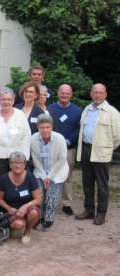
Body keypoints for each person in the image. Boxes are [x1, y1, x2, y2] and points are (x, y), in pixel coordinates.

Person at [75, 83, 120, 225]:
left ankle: (101, 213)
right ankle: (89, 210)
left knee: (102, 185)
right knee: (87, 183)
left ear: (105, 94)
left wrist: (107, 149)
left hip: (102, 151)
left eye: (101, 92)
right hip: (86, 149)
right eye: (95, 92)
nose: (98, 95)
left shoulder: (112, 112)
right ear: (91, 94)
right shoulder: (87, 110)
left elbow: (117, 136)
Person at [0, 88, 31, 189]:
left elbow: (27, 137)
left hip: (18, 159)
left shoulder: (20, 115)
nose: (6, 102)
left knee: (17, 186)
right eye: (3, 99)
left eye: (9, 99)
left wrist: (25, 157)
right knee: (0, 188)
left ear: (13, 100)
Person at [47, 84, 82, 215]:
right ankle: (49, 200)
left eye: (67, 93)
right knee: (50, 173)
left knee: (67, 176)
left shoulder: (77, 111)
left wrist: (68, 141)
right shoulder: (50, 109)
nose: (65, 95)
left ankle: (67, 203)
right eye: (62, 92)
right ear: (58, 93)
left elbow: (78, 129)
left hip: (69, 148)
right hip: (51, 147)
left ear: (71, 95)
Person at [30, 114, 69, 229]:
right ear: (38, 127)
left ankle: (49, 219)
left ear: (52, 127)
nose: (45, 130)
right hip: (40, 172)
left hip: (57, 172)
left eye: (47, 127)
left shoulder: (59, 138)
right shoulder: (34, 138)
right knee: (39, 194)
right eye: (42, 127)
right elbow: (35, 159)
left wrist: (50, 177)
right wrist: (43, 176)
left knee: (51, 195)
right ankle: (39, 217)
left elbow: (62, 159)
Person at [0, 152, 42, 245]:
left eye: (20, 163)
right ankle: (20, 225)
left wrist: (26, 206)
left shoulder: (30, 176)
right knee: (17, 225)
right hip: (12, 211)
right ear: (10, 165)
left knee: (33, 213)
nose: (17, 165)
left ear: (24, 165)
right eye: (14, 163)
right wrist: (9, 208)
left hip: (28, 209)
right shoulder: (4, 178)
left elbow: (38, 199)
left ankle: (27, 232)